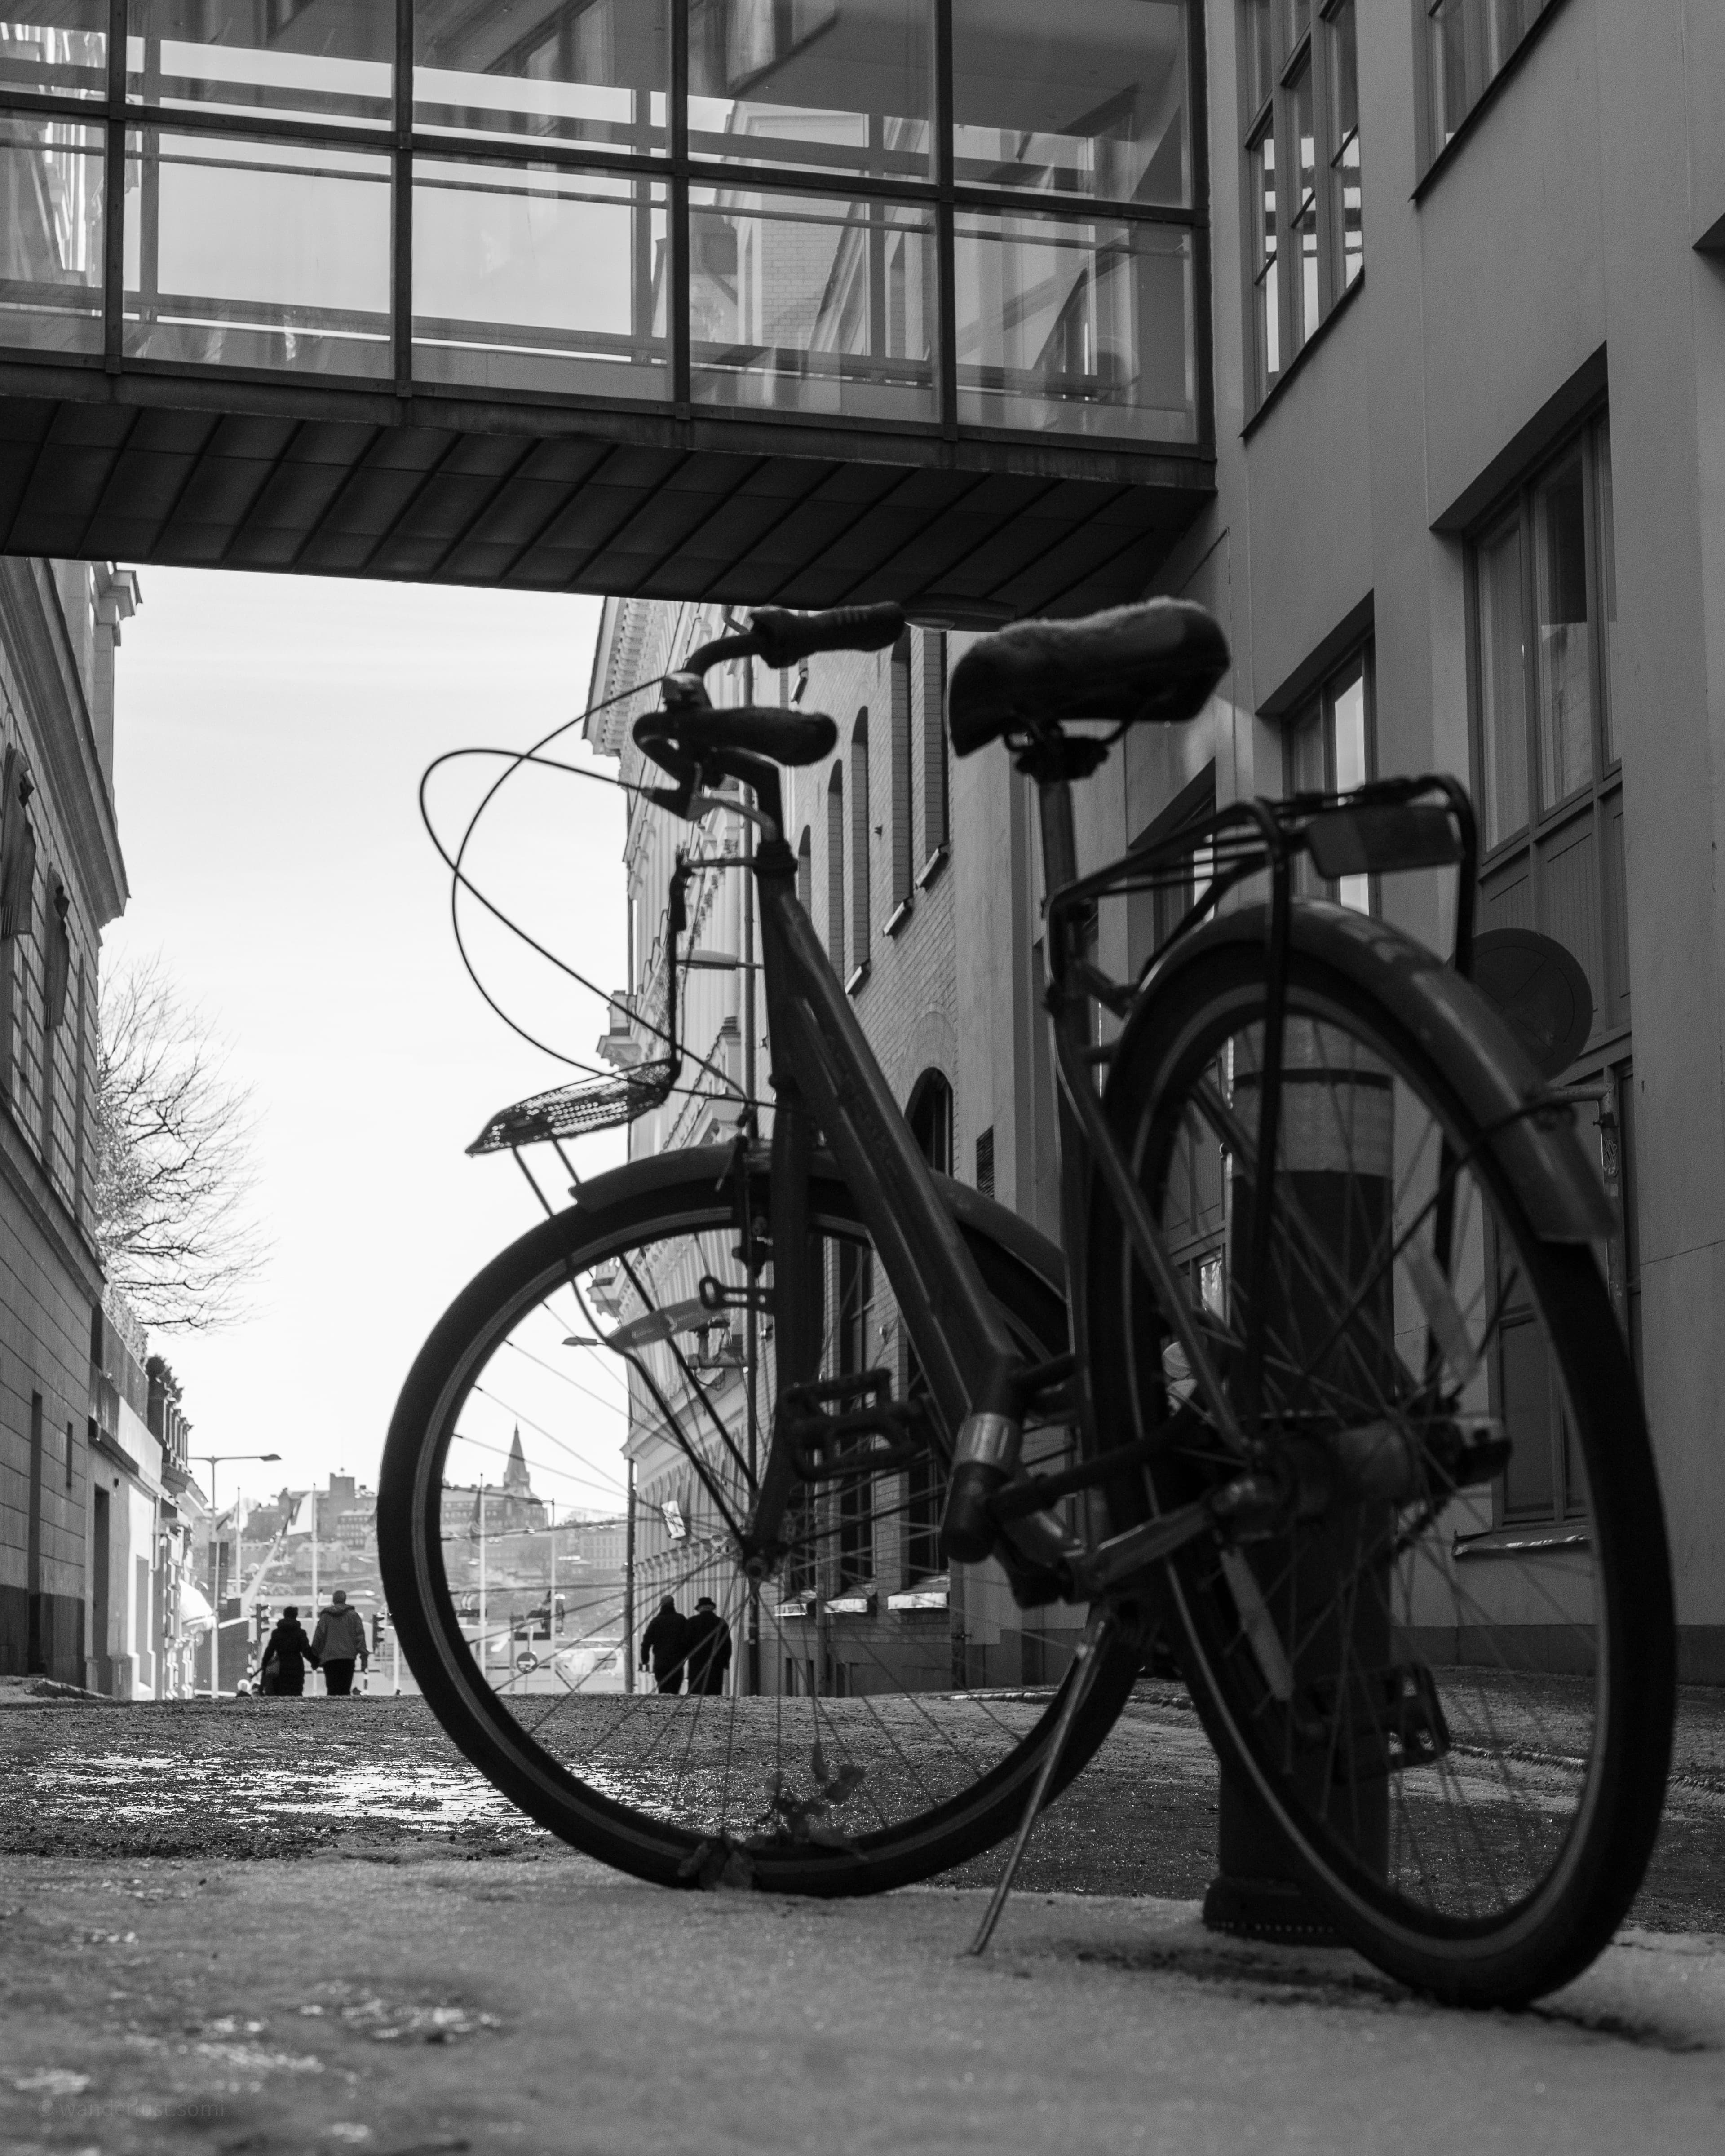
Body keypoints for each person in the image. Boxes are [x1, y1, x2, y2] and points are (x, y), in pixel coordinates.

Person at [310, 1588, 370, 1698]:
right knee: (345, 1690)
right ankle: (343, 1712)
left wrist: (314, 1659)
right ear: (345, 1599)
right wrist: (364, 1660)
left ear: (333, 1600)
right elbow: (360, 1638)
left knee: (332, 1689)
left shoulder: (326, 1617)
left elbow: (319, 1638)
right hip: (348, 1658)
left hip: (330, 1659)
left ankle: (332, 1712)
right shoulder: (354, 1616)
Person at [259, 1607, 317, 1698]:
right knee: (296, 1693)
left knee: (280, 1693)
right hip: (296, 1666)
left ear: (285, 1615)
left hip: (280, 1666)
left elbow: (270, 1651)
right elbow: (306, 1651)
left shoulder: (277, 1633)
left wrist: (264, 1665)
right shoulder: (300, 1633)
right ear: (296, 1616)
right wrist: (315, 1661)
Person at [683, 1596, 732, 1696]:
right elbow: (727, 1644)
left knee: (697, 1691)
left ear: (700, 1609)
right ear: (712, 1608)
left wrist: (687, 1656)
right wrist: (725, 1662)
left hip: (697, 1663)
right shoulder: (721, 1623)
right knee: (714, 1691)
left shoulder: (692, 1622)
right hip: (716, 1662)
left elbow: (685, 1642)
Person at [639, 1595, 689, 1694]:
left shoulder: (656, 1622)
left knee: (663, 1690)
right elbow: (689, 1639)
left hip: (660, 1662)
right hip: (677, 1662)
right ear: (673, 1605)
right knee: (675, 1690)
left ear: (661, 1606)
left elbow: (646, 1643)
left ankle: (664, 1707)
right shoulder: (681, 1620)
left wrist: (645, 1660)